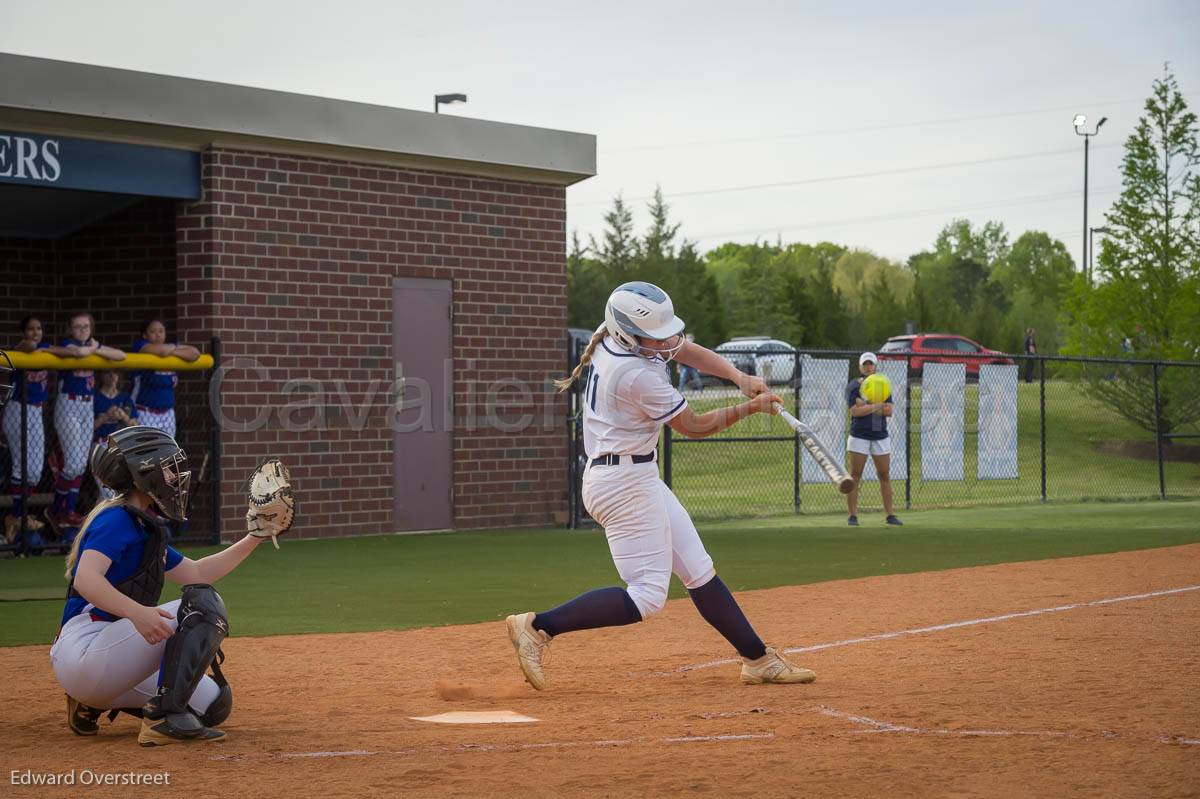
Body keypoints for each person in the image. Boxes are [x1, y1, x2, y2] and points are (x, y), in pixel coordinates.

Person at [505, 281, 816, 690]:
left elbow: (682, 348)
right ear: (629, 335)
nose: (665, 342)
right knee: (648, 595)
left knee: (698, 569)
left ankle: (758, 660)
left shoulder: (616, 340)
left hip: (631, 476)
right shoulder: (633, 373)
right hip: (623, 484)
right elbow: (693, 426)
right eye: (654, 336)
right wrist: (750, 407)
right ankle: (538, 627)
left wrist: (738, 376)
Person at [50, 426, 262, 746]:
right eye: (167, 468)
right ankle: (163, 719)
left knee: (213, 705)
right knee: (202, 604)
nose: (175, 476)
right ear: (143, 474)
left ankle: (91, 703)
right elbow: (86, 579)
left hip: (104, 660)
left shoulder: (144, 525)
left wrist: (256, 535)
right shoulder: (116, 519)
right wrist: (138, 613)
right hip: (84, 648)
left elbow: (197, 571)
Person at [45, 313, 125, 528]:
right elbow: (79, 353)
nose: (82, 330)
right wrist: (94, 348)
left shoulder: (93, 346)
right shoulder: (68, 344)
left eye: (86, 326)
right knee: (73, 464)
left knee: (79, 465)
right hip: (68, 404)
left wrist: (97, 347)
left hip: (87, 405)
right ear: (70, 330)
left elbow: (120, 356)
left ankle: (64, 511)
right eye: (77, 327)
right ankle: (58, 510)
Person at [4, 317, 51, 545]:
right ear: (23, 332)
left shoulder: (46, 351)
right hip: (17, 410)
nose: (35, 332)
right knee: (21, 466)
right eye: (31, 328)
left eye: (39, 328)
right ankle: (17, 515)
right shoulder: (21, 348)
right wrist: (36, 343)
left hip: (36, 411)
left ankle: (17, 515)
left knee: (34, 471)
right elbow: (30, 346)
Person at [845, 352, 902, 527]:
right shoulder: (855, 385)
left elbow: (889, 411)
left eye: (871, 364)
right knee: (855, 475)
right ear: (860, 366)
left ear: (875, 366)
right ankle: (853, 516)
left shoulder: (882, 385)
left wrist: (868, 406)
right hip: (859, 434)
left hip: (879, 434)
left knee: (884, 474)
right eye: (865, 364)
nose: (868, 367)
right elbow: (855, 411)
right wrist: (878, 406)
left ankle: (890, 515)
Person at [130, 319, 200, 439]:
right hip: (145, 412)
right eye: (153, 331)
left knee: (167, 453)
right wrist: (176, 348)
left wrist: (171, 349)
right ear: (145, 335)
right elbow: (162, 351)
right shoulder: (140, 345)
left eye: (161, 331)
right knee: (147, 453)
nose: (158, 334)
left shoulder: (169, 349)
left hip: (167, 413)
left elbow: (195, 353)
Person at [92, 371, 139, 500]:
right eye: (108, 373)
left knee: (111, 492)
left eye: (115, 373)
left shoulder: (124, 398)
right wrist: (106, 417)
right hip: (99, 445)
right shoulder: (95, 397)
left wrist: (123, 416)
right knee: (107, 489)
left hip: (121, 445)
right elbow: (88, 428)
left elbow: (136, 426)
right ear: (101, 375)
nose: (112, 376)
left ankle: (99, 516)